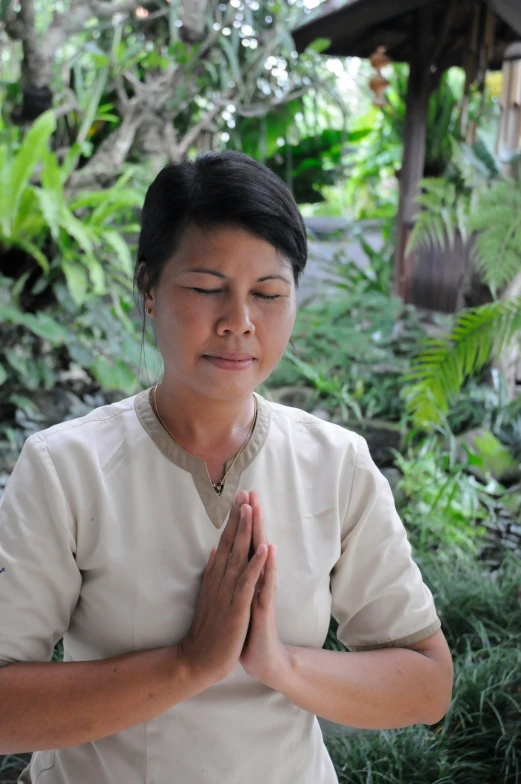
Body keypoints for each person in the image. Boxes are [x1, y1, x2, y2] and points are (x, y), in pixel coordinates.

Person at [0, 150, 453, 784]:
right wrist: (190, 663)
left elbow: (427, 685)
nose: (239, 322)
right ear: (151, 291)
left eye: (268, 293)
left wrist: (278, 664)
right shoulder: (65, 469)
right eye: (207, 289)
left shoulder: (337, 465)